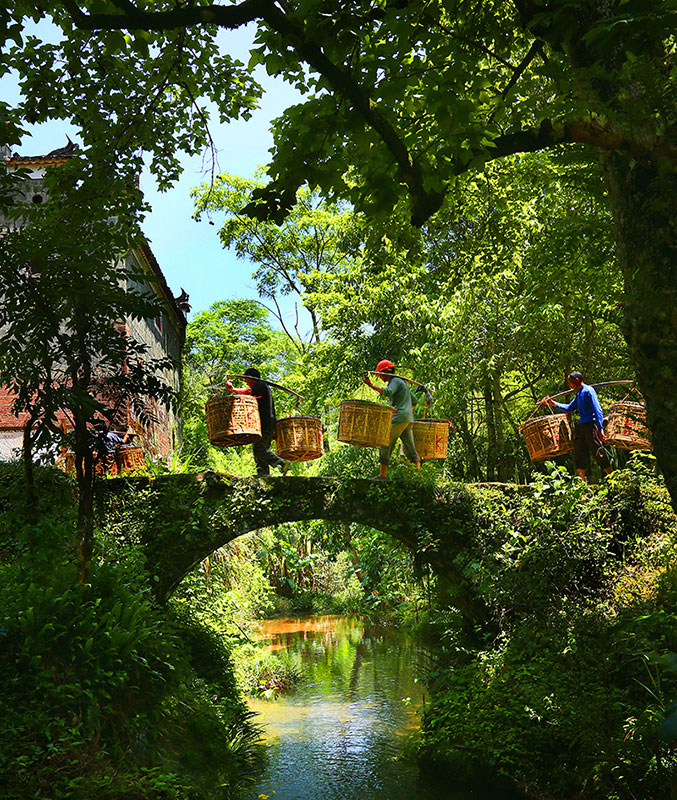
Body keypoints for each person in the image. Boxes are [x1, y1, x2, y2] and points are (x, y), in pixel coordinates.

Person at [542, 371, 612, 482]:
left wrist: (600, 429)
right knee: (579, 453)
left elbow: (598, 410)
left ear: (577, 381)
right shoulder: (579, 394)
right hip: (582, 427)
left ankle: (612, 478)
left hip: (591, 426)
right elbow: (569, 408)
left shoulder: (588, 391)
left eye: (571, 382)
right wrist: (552, 403)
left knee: (598, 451)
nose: (570, 385)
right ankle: (583, 482)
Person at [225, 368, 290, 477]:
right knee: (259, 451)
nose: (246, 382)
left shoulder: (261, 385)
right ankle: (263, 475)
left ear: (250, 376)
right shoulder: (260, 389)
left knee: (259, 450)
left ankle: (281, 463)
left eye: (246, 379)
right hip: (261, 425)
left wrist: (233, 389)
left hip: (266, 424)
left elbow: (248, 391)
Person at [364, 359, 420, 480]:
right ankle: (418, 476)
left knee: (385, 443)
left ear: (386, 372)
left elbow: (388, 392)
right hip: (408, 419)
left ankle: (382, 475)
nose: (380, 377)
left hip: (399, 417)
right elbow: (414, 401)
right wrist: (406, 410)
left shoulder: (394, 381)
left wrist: (371, 385)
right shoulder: (402, 383)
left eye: (381, 375)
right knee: (410, 448)